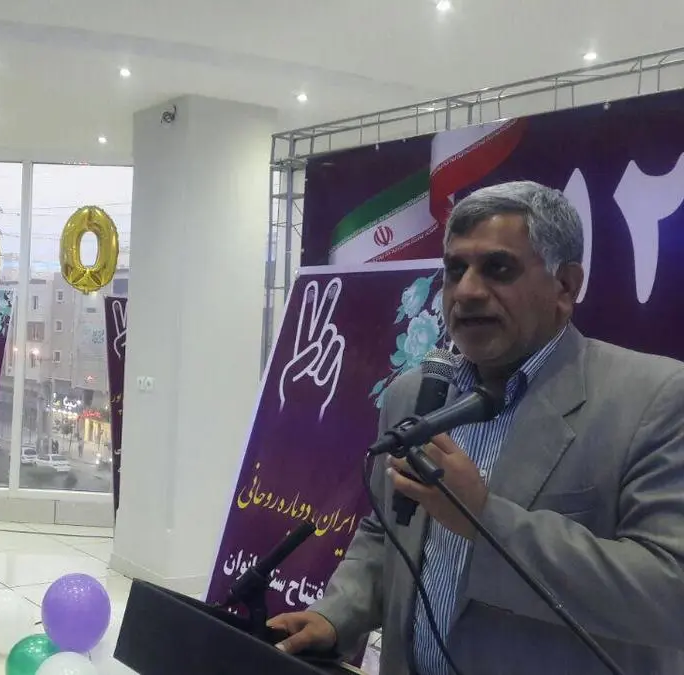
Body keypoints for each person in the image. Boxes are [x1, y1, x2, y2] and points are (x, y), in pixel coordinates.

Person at [268, 181, 684, 675]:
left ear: (566, 286)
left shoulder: (654, 399)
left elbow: (669, 593)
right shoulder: (414, 395)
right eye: (455, 269)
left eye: (498, 269)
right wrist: (337, 614)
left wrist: (485, 518)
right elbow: (387, 533)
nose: (466, 291)